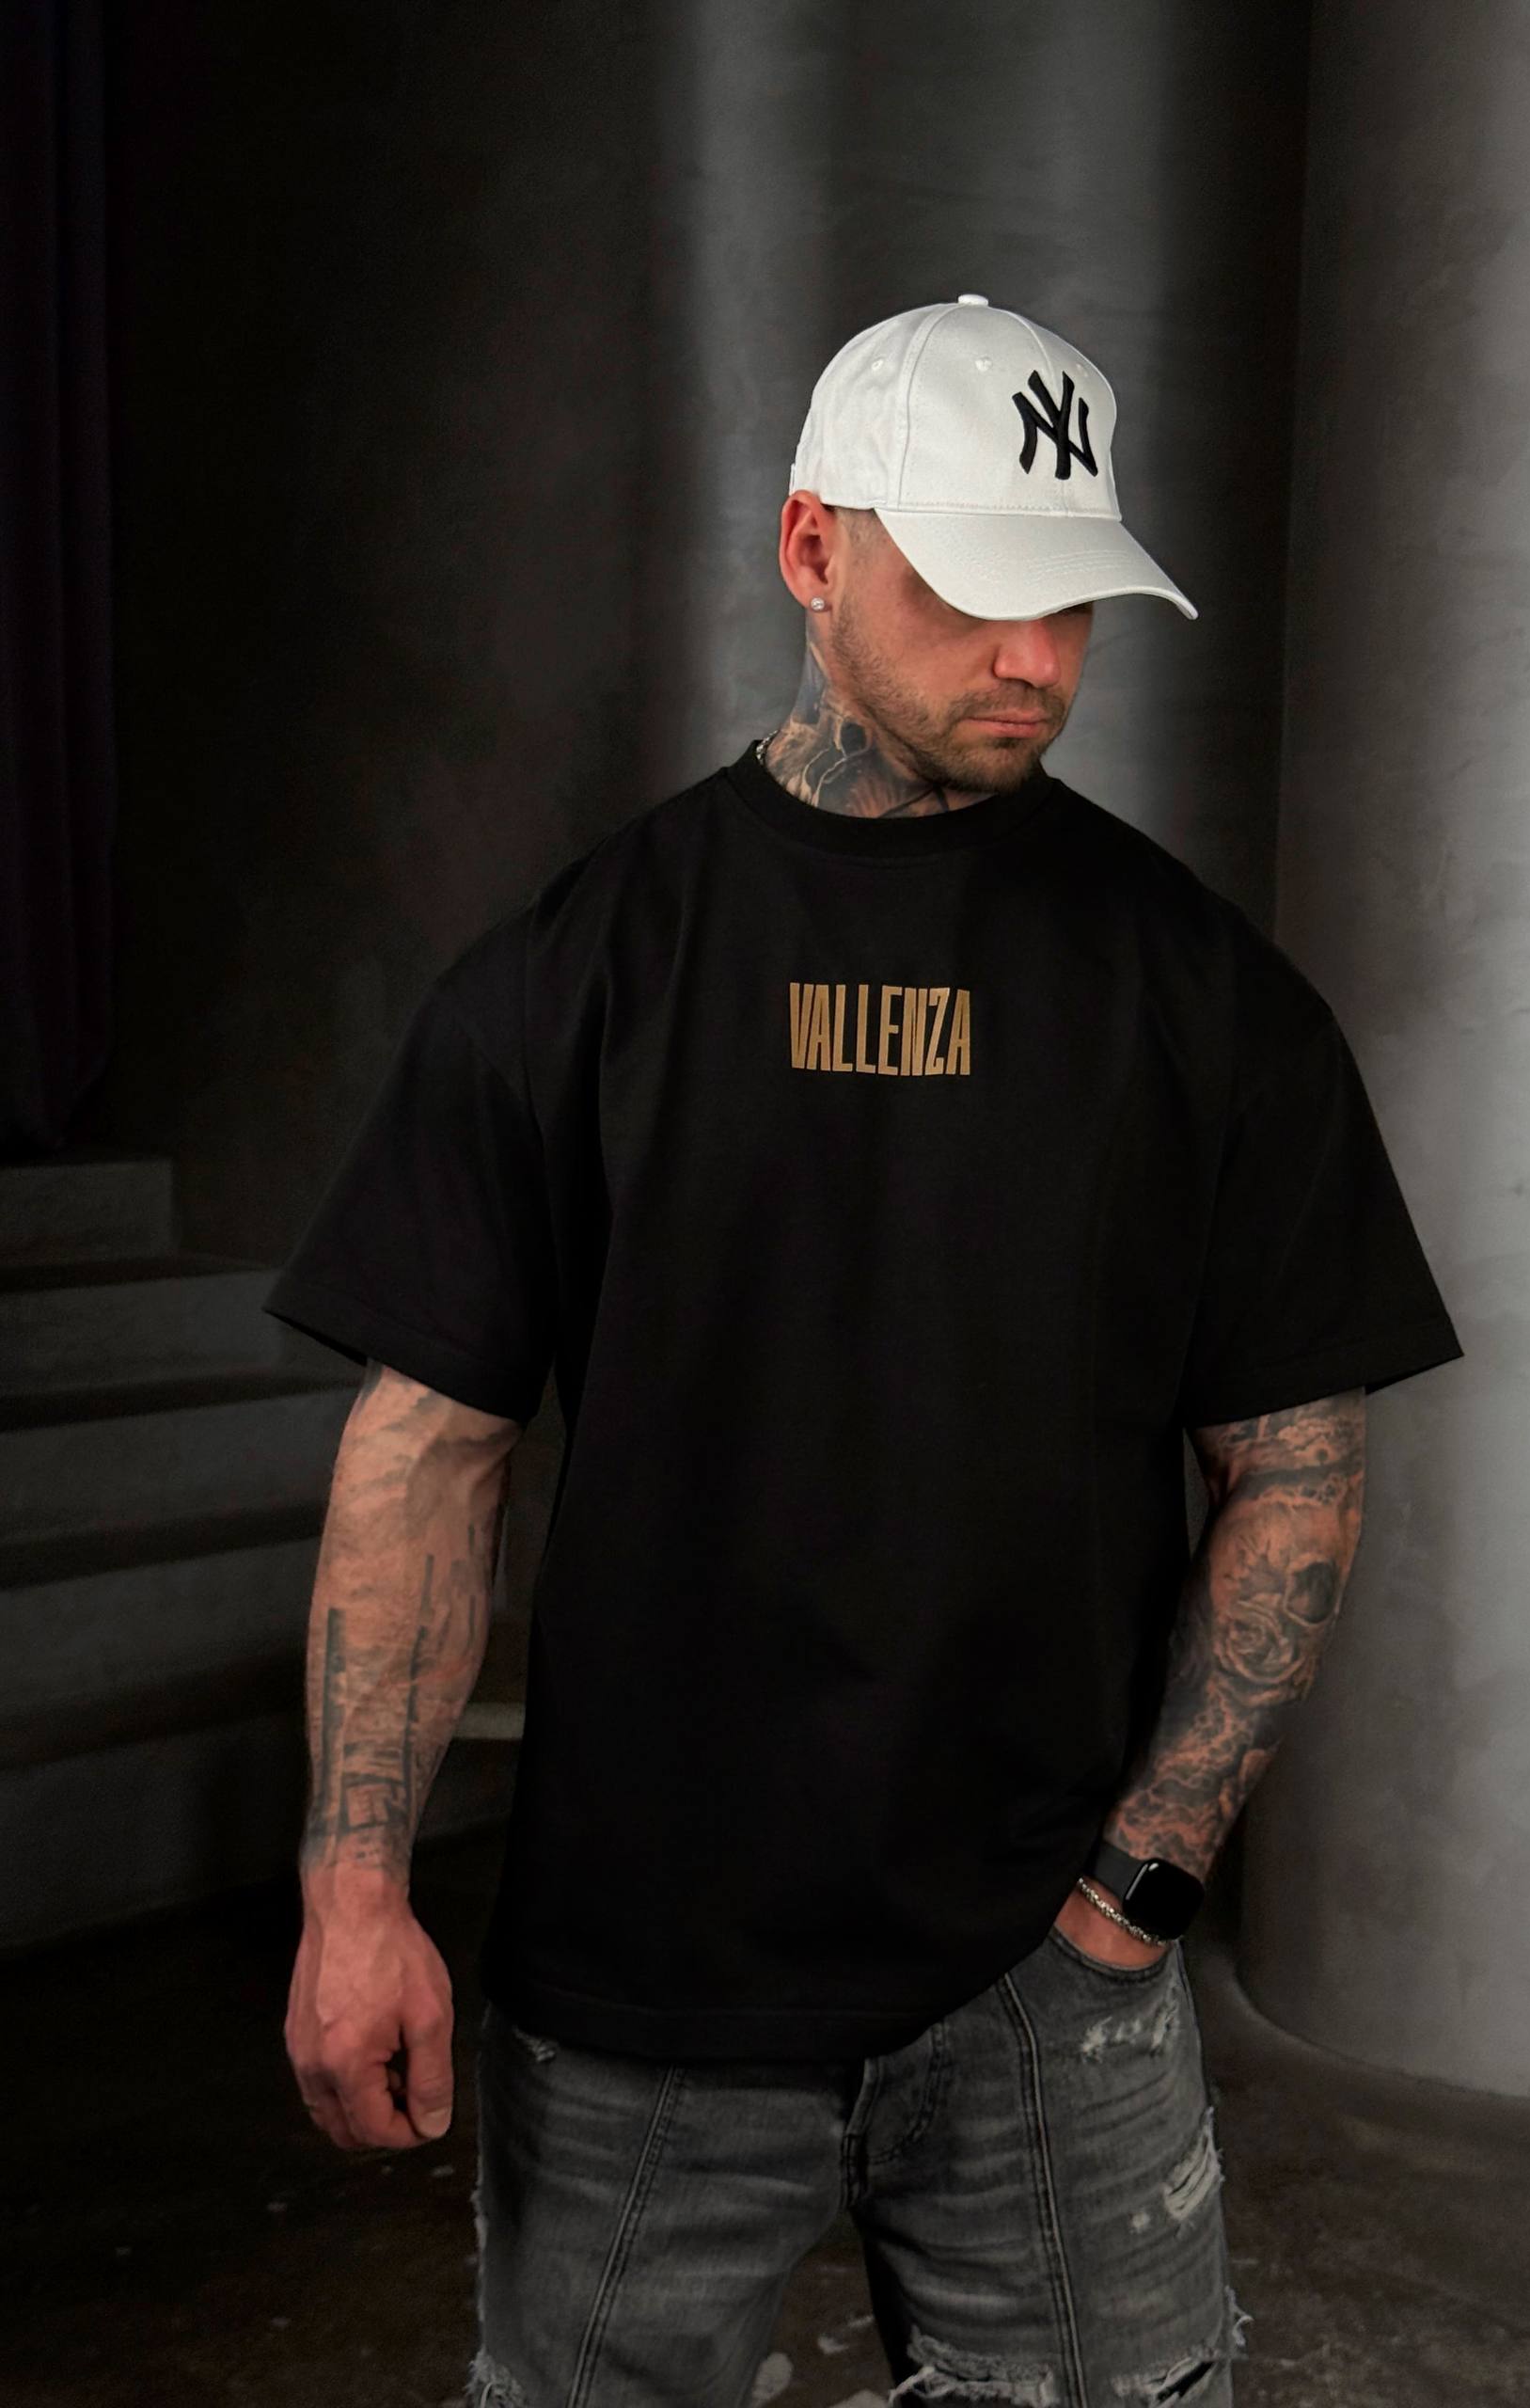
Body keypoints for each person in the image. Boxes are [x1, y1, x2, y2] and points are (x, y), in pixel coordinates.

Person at [267, 295, 1462, 2408]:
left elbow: (1297, 1454)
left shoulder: (1203, 1001)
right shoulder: (582, 973)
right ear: (811, 549)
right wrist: (355, 1887)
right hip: (638, 1988)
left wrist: (1140, 1885)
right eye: (976, 588)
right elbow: (427, 1448)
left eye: (1072, 599)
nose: (1038, 658)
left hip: (1044, 1986)